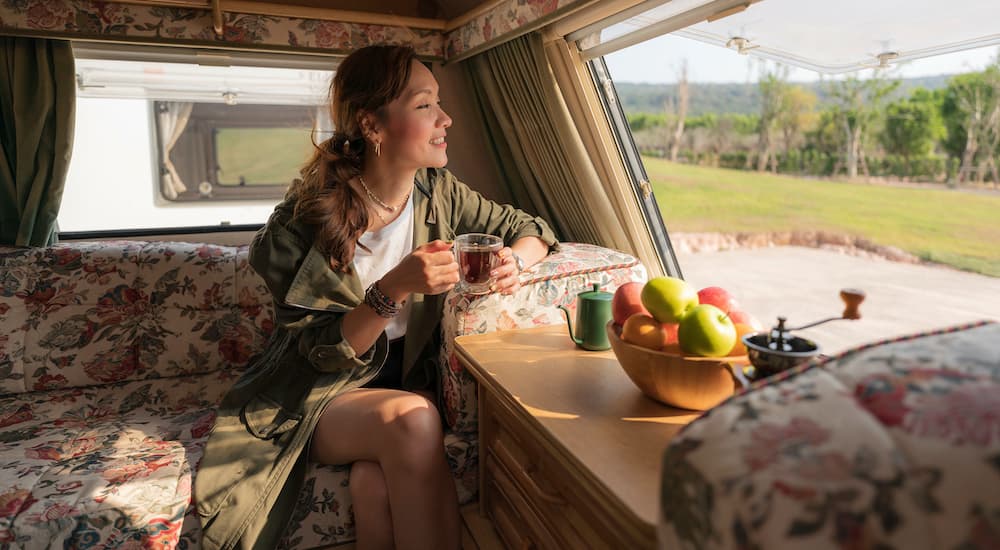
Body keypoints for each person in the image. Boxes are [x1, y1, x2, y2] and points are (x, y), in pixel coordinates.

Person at [194, 45, 558, 550]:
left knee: (374, 483)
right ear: (372, 125)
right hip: (318, 393)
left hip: (402, 381)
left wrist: (513, 261)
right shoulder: (303, 224)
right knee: (412, 420)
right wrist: (394, 287)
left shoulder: (438, 191)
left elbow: (531, 228)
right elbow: (319, 353)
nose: (446, 118)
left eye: (439, 103)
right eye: (426, 104)